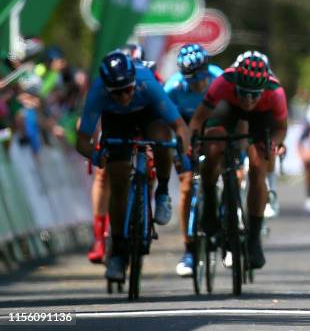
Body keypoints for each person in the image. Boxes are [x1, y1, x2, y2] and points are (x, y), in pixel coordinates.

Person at [76, 51, 191, 280]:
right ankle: (118, 250)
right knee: (117, 179)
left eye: (128, 89)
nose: (124, 97)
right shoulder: (98, 92)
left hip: (148, 113)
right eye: (117, 93)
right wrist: (96, 156)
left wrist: (182, 148)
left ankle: (162, 192)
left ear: (134, 83)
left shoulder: (147, 83)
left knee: (161, 137)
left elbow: (179, 126)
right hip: (116, 121)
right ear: (107, 89)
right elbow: (81, 141)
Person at [189, 51, 288, 269]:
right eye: (244, 93)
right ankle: (209, 204)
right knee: (213, 146)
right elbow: (198, 120)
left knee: (257, 167)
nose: (249, 100)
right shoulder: (223, 82)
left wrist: (274, 143)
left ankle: (253, 238)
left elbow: (281, 128)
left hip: (261, 119)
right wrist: (194, 141)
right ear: (236, 84)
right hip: (228, 110)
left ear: (263, 88)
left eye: (254, 94)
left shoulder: (275, 92)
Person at [163, 43, 223, 277]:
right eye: (191, 78)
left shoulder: (219, 79)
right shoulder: (173, 87)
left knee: (216, 170)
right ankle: (188, 250)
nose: (197, 83)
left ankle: (220, 214)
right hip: (184, 131)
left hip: (214, 127)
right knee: (187, 185)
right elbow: (164, 121)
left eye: (200, 77)